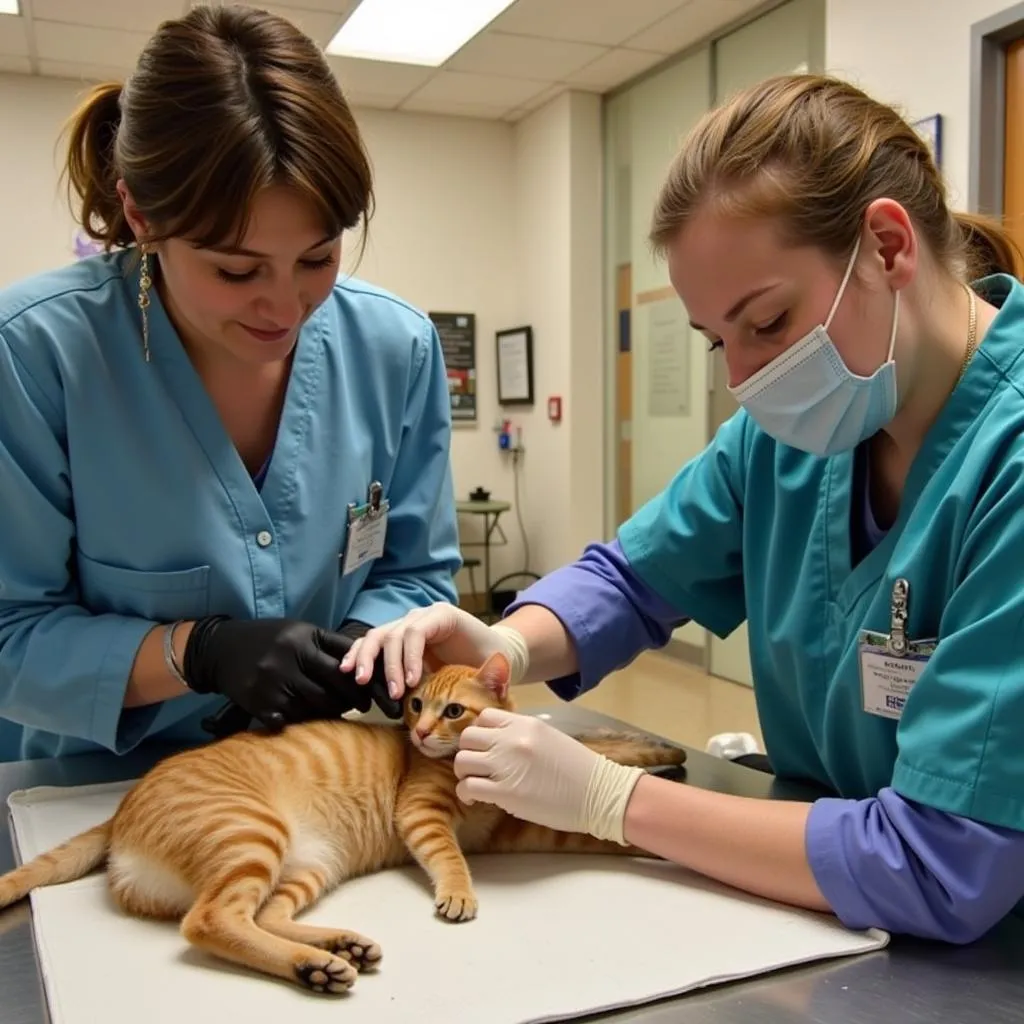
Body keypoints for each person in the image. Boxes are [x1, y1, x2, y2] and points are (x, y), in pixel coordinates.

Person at [344, 73, 1024, 945]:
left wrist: (610, 799)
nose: (743, 380)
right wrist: (508, 643)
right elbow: (633, 578)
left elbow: (942, 860)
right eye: (717, 342)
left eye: (768, 322)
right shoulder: (787, 441)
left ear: (889, 247)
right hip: (826, 909)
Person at [0, 5, 461, 762]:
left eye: (317, 259)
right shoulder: (35, 355)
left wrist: (365, 644)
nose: (285, 308)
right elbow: (11, 635)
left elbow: (417, 574)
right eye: (236, 270)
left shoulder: (396, 348)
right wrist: (196, 652)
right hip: (95, 794)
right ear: (139, 215)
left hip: (314, 779)